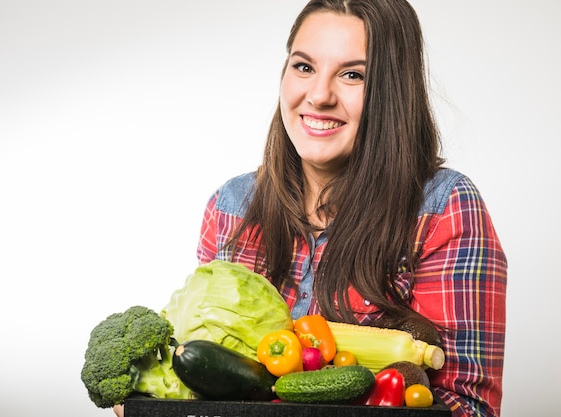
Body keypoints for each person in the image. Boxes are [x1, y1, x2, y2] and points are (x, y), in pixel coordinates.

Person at [196, 1, 507, 417]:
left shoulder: (444, 210)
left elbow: (468, 409)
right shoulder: (230, 208)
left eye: (352, 75)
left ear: (392, 91)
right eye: (303, 67)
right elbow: (199, 371)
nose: (319, 95)